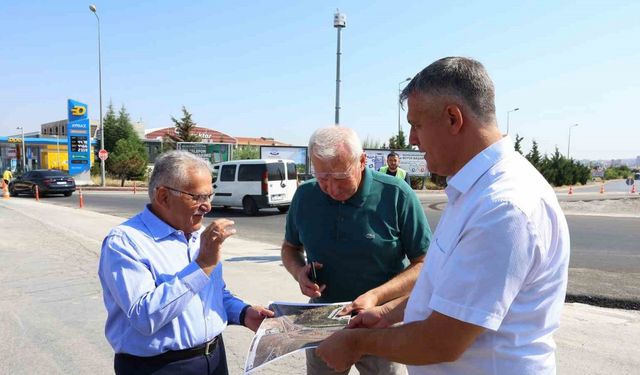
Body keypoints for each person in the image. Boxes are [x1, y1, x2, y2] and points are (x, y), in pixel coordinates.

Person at [316, 57, 570, 375]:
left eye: (417, 124)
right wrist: (386, 314)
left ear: (453, 118)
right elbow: (446, 290)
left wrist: (356, 344)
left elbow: (442, 341)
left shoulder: (503, 208)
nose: (411, 139)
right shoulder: (475, 191)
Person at [98, 150, 274, 375]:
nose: (207, 206)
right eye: (198, 197)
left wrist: (243, 313)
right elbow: (144, 317)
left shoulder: (196, 237)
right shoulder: (125, 242)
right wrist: (201, 267)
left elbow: (213, 294)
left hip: (214, 358)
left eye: (209, 196)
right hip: (159, 367)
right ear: (163, 196)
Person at [281, 126, 432, 375]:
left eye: (340, 177)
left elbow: (425, 263)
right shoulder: (305, 196)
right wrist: (299, 272)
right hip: (323, 321)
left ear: (362, 161)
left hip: (381, 322)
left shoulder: (396, 194)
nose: (331, 188)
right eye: (322, 178)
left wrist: (376, 297)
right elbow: (290, 248)